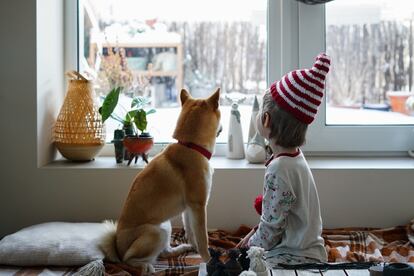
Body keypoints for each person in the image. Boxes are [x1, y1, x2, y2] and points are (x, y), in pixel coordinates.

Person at [237, 53, 331, 265]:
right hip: (311, 249)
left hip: (293, 257)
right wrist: (253, 233)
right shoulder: (294, 157)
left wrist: (245, 250)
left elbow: (270, 232)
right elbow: (278, 215)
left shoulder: (278, 168)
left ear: (266, 119)